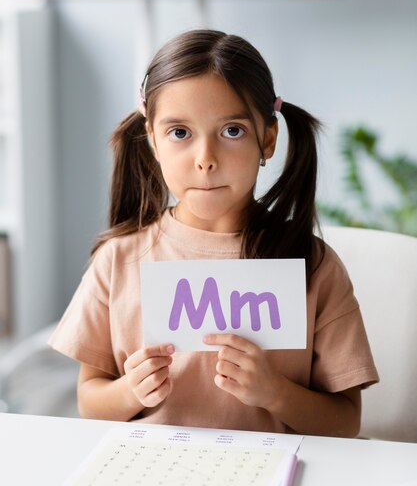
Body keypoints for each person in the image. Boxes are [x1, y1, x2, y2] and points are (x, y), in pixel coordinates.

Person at [50, 29, 379, 436]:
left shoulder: (314, 266)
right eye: (180, 133)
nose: (205, 160)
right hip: (154, 481)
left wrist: (275, 393)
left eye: (232, 131)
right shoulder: (118, 261)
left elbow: (346, 422)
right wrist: (130, 393)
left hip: (276, 484)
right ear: (152, 138)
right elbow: (89, 401)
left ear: (268, 139)